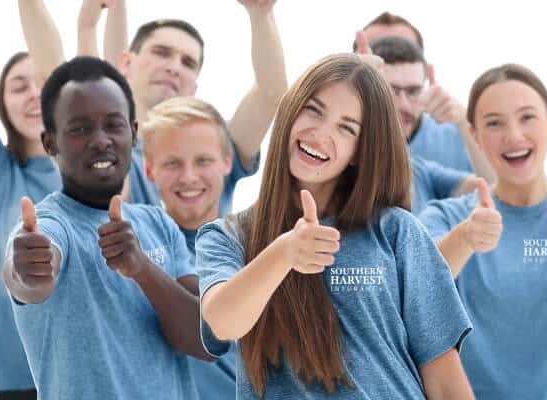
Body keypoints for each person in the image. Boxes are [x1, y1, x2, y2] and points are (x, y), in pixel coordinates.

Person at [196, 53, 474, 399]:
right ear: (290, 111)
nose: (321, 133)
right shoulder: (227, 237)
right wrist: (283, 253)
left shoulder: (397, 232)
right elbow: (223, 323)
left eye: (346, 128)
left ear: (360, 150)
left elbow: (445, 378)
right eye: (313, 109)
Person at [2, 57, 207, 400]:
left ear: (134, 133)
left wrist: (141, 268)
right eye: (79, 129)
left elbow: (206, 340)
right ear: (50, 142)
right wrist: (27, 270)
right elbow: (28, 278)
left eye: (113, 125)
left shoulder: (158, 223)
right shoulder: (51, 225)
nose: (100, 140)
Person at [419, 64, 547, 400]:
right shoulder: (447, 216)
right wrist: (466, 238)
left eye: (527, 117)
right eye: (494, 123)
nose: (513, 136)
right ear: (475, 136)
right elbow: (422, 280)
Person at [18, 0, 287, 215]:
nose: (174, 66)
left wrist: (261, 14)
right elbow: (56, 75)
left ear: (194, 88)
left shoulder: (214, 148)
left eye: (188, 63)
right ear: (127, 63)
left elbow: (270, 95)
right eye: (161, 52)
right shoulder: (103, 146)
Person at [0, 34, 61, 399]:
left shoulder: (98, 173)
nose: (33, 94)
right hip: (15, 380)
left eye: (43, 82)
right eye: (19, 86)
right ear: (2, 103)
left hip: (87, 369)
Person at [141, 96, 237, 399]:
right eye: (172, 163)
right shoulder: (136, 250)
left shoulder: (259, 251)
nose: (189, 177)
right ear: (149, 170)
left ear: (227, 162)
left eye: (203, 161)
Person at [356, 13, 494, 181]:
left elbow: (499, 189)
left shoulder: (455, 137)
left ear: (425, 73)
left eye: (405, 47)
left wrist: (465, 122)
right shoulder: (339, 131)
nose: (403, 104)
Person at [366, 37, 477, 213]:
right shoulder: (334, 160)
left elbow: (496, 191)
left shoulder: (421, 171)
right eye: (391, 91)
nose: (403, 105)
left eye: (413, 91)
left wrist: (465, 121)